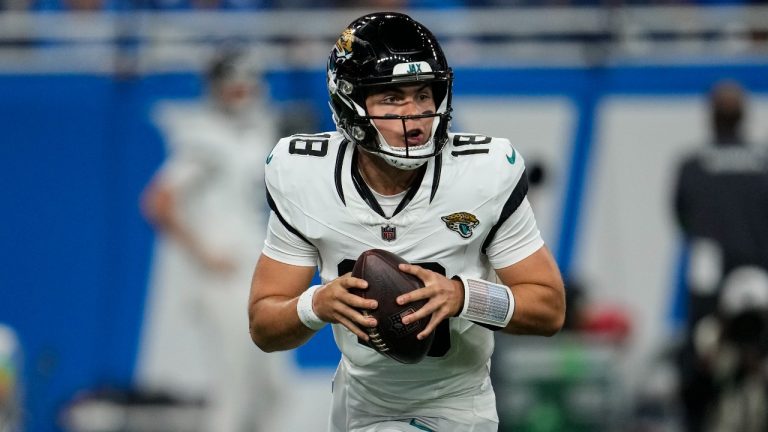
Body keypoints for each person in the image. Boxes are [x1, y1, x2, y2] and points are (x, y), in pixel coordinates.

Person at [248, 12, 565, 432]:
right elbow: (264, 325)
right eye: (392, 98)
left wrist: (463, 296)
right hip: (356, 400)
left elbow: (549, 307)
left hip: (454, 403)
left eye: (423, 94)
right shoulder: (304, 176)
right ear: (350, 103)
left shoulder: (484, 174)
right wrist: (316, 304)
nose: (414, 117)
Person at [138, 49, 282, 432]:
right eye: (234, 85)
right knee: (234, 388)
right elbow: (158, 201)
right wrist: (206, 255)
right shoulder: (206, 140)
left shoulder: (259, 133)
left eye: (247, 84)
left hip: (258, 274)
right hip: (226, 279)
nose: (243, 92)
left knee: (273, 390)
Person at [672, 80, 768, 432]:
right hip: (761, 275)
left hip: (710, 284)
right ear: (744, 117)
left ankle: (694, 418)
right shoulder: (764, 162)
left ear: (711, 118)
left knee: (697, 358)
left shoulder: (693, 164)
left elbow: (681, 216)